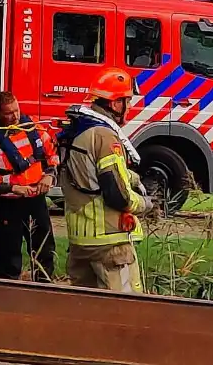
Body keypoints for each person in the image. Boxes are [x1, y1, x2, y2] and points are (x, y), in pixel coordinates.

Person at [56, 67, 152, 293]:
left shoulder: (78, 131)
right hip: (109, 242)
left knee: (86, 311)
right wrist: (144, 204)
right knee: (127, 310)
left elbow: (89, 173)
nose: (129, 107)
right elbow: (117, 194)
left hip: (81, 241)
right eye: (127, 101)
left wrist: (133, 177)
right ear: (116, 104)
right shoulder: (105, 136)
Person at [0, 91, 59, 282]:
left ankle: (45, 283)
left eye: (17, 110)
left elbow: (52, 156)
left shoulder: (33, 129)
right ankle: (8, 290)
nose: (15, 116)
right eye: (9, 113)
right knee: (8, 253)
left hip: (35, 199)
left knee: (44, 249)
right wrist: (13, 188)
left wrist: (49, 176)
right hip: (8, 205)